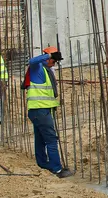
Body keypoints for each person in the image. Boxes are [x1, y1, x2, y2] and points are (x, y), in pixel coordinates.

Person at [23, 46, 74, 178]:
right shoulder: (37, 67)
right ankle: (57, 169)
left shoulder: (46, 71)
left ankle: (42, 164)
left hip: (39, 110)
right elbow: (32, 61)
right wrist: (49, 56)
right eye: (53, 60)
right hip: (40, 110)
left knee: (40, 139)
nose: (54, 63)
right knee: (51, 140)